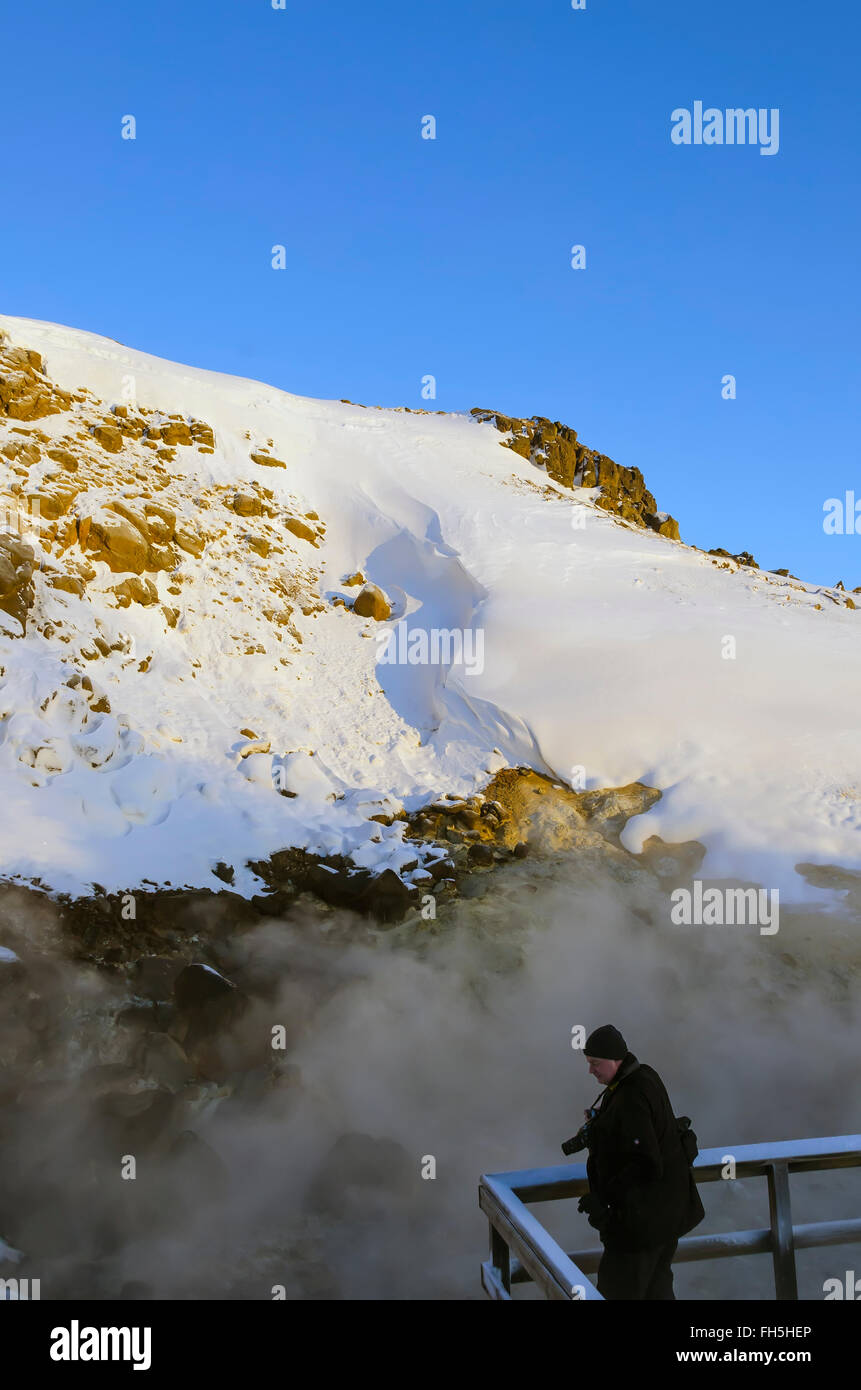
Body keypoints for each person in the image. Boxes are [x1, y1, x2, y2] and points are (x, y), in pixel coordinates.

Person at [574, 1024, 704, 1300]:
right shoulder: (644, 1077)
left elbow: (646, 1163)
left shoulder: (629, 1096)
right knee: (657, 1291)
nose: (591, 1070)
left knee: (617, 1291)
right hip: (665, 1218)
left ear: (614, 1059)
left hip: (640, 1227)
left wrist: (604, 1198)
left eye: (595, 1063)